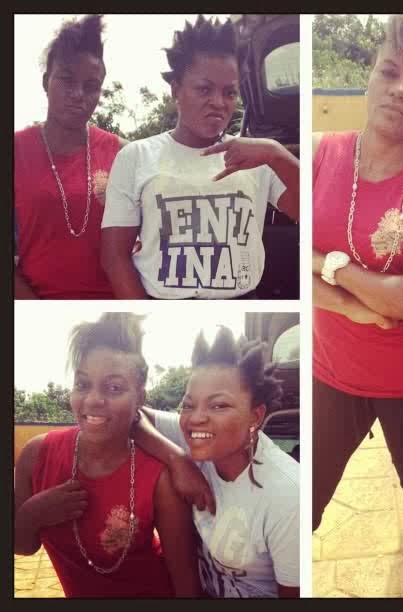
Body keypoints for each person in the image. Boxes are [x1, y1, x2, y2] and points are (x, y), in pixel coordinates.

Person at [312, 15, 403, 594]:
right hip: (329, 372)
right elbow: (290, 260)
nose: (399, 89)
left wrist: (334, 266)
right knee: (305, 500)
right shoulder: (322, 154)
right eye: (389, 72)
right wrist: (353, 307)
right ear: (369, 78)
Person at [100, 15, 299, 299]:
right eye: (204, 89)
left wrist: (276, 154)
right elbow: (114, 257)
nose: (218, 102)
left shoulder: (258, 156)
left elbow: (312, 211)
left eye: (229, 92)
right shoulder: (136, 156)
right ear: (176, 89)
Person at [14, 313, 201, 598]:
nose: (93, 400)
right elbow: (23, 547)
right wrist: (31, 515)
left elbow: (186, 585)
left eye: (114, 388)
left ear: (140, 398)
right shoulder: (37, 455)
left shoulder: (159, 479)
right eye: (82, 384)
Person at [132, 326, 300, 598]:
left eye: (218, 405)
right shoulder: (200, 441)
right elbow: (134, 416)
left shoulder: (288, 497)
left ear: (255, 416)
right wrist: (177, 459)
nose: (196, 418)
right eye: (188, 405)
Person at [14, 14, 128, 299]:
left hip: (112, 306)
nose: (78, 94)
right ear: (46, 81)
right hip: (35, 305)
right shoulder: (16, 150)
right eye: (66, 79)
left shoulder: (124, 154)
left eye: (91, 85)